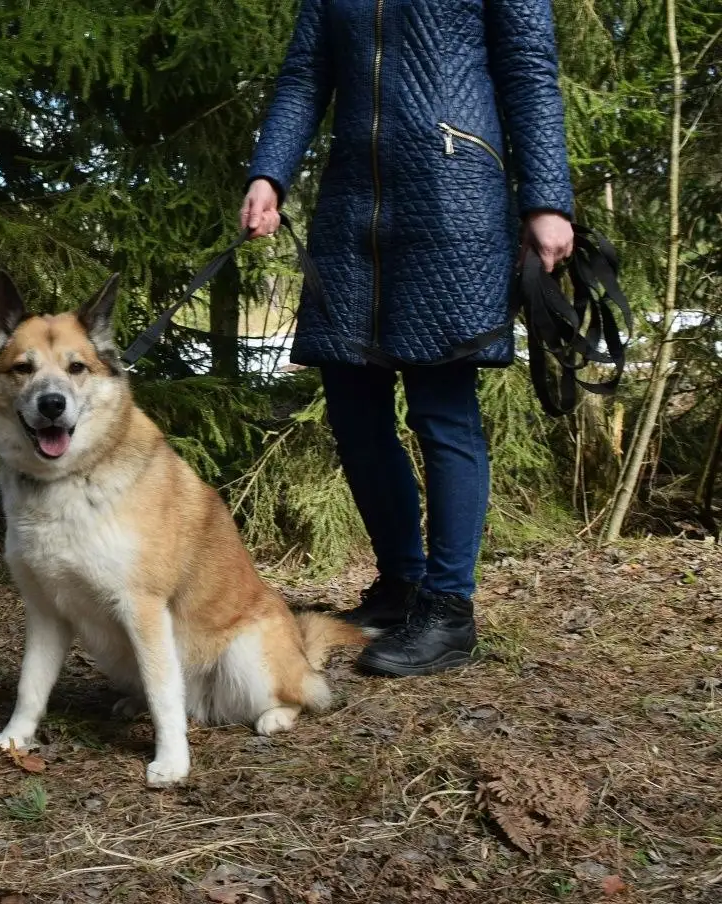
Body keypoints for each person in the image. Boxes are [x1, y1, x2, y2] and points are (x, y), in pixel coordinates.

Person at [240, 0, 574, 676]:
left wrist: (546, 199)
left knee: (441, 408)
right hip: (351, 213)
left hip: (454, 200)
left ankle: (449, 611)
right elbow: (306, 74)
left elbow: (529, 73)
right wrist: (268, 174)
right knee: (354, 409)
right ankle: (400, 586)